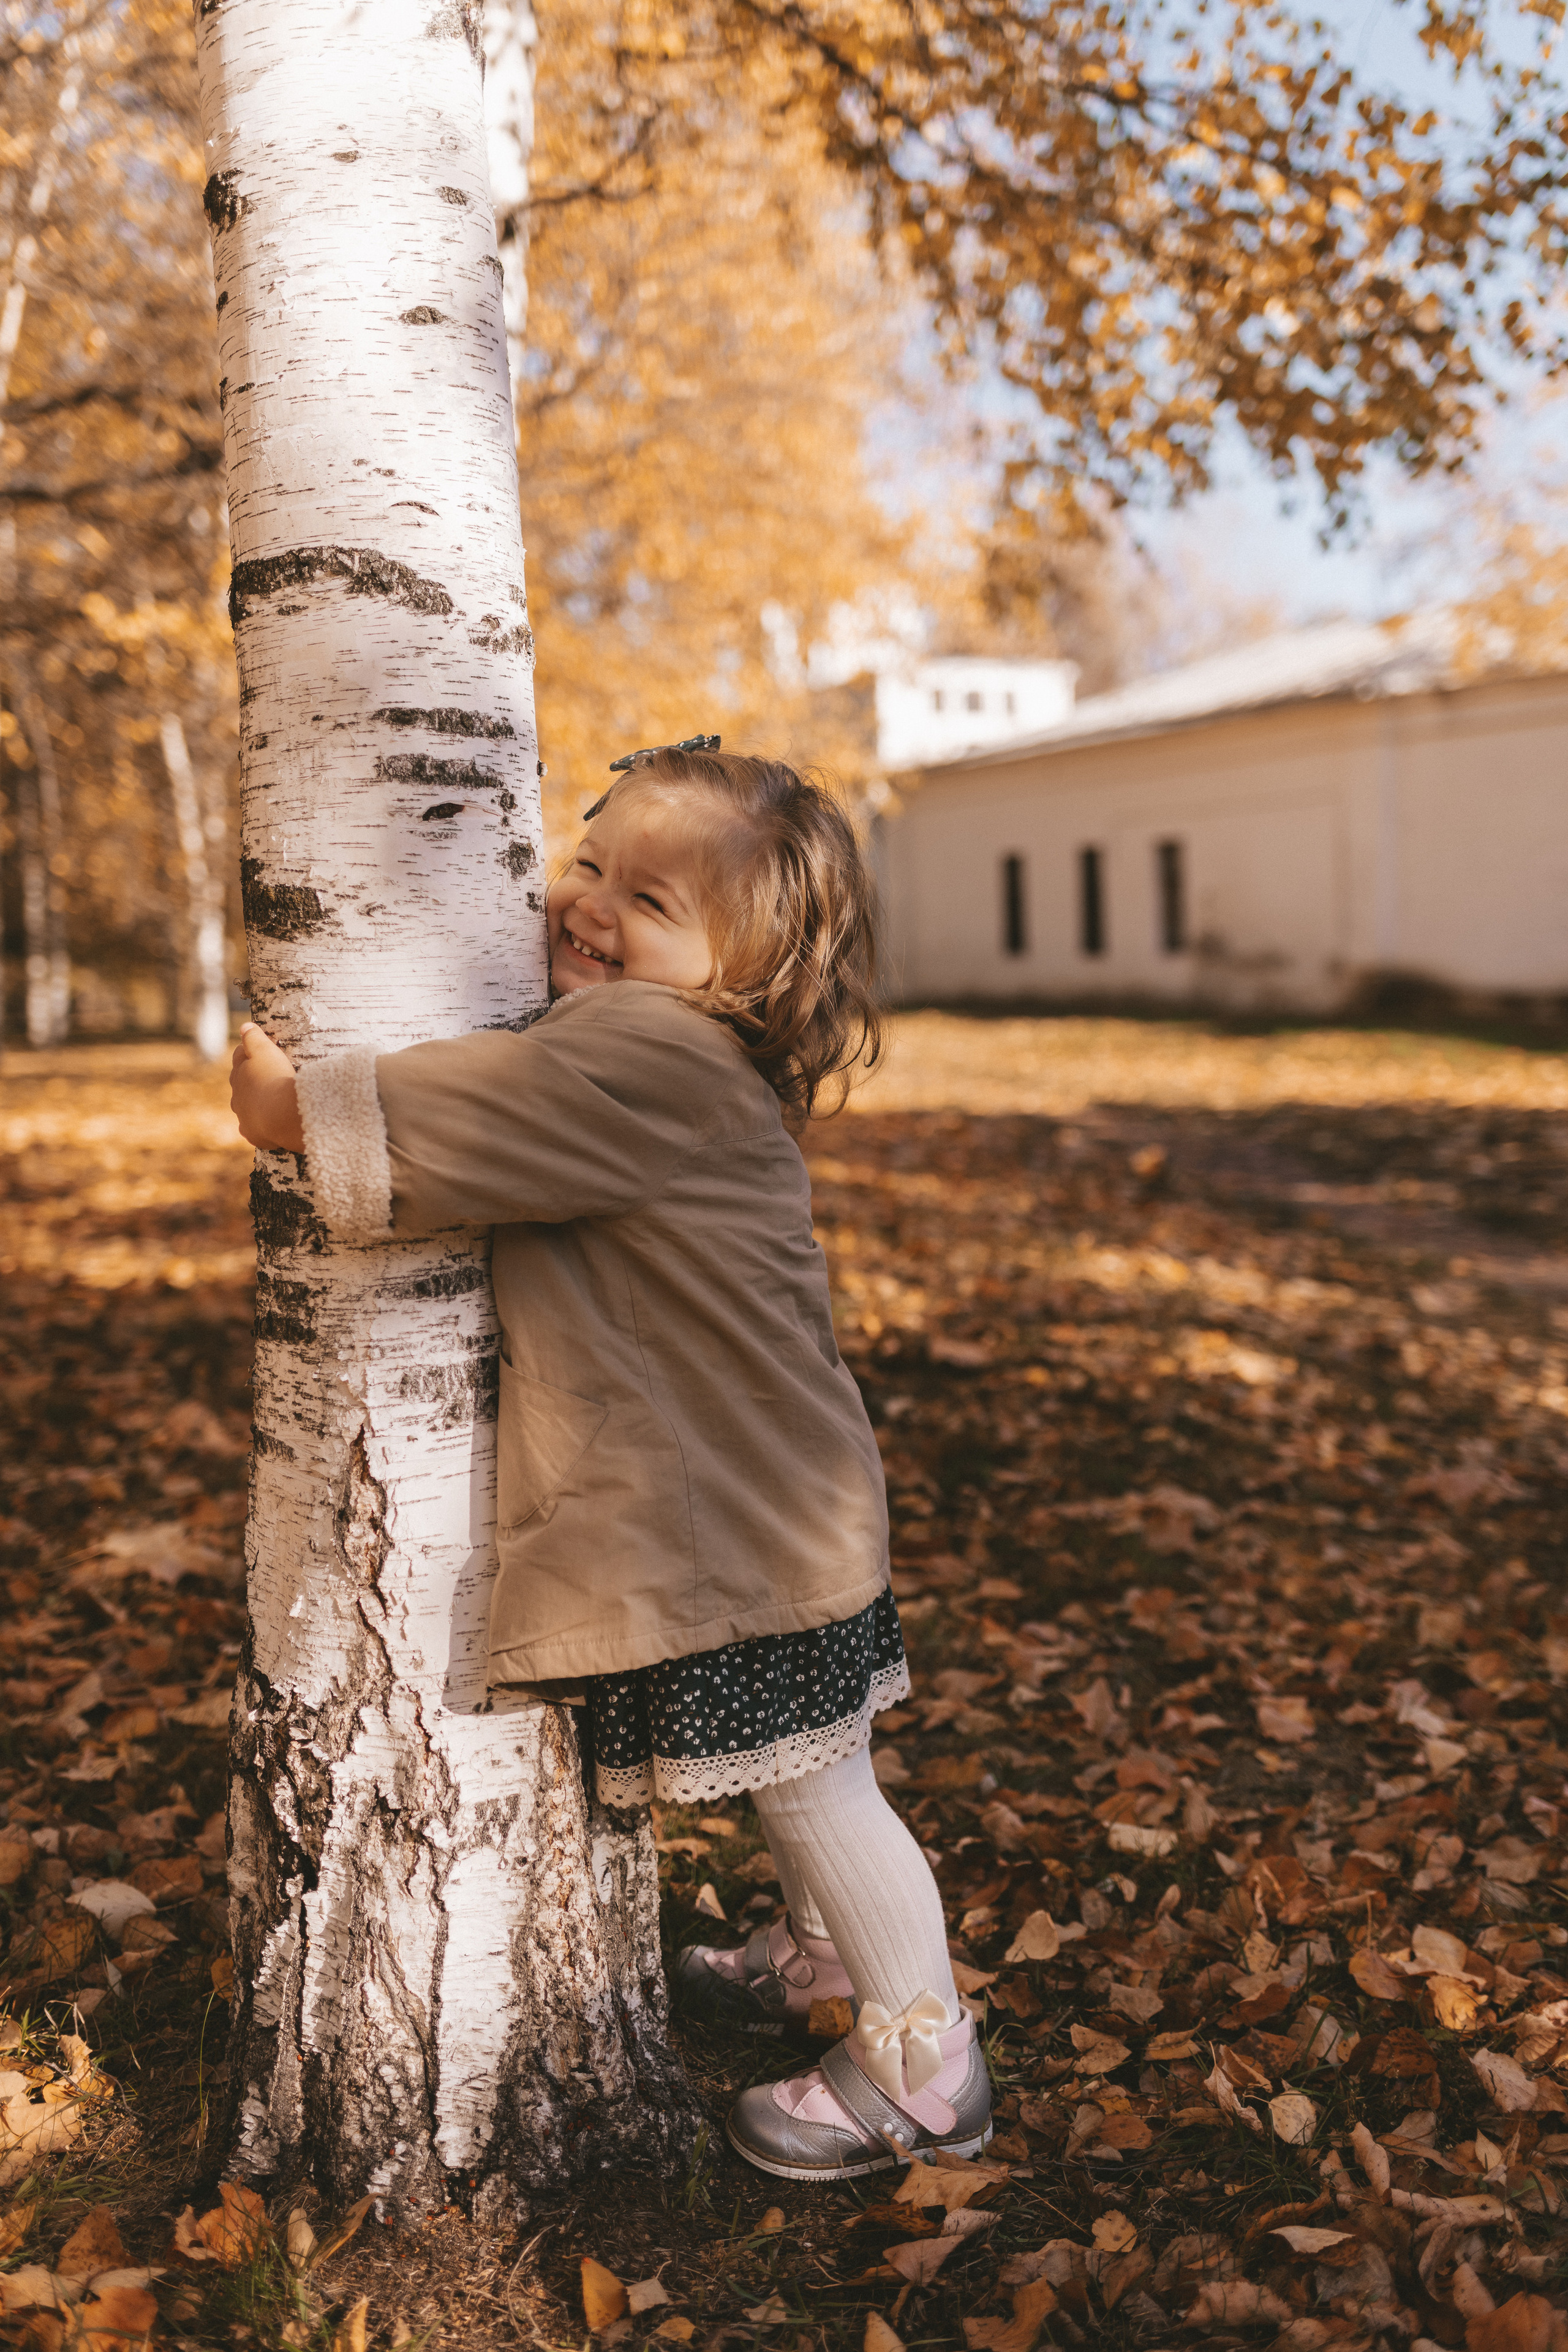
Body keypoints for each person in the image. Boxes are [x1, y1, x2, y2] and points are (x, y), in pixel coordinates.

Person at [229, 741, 990, 2183]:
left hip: (746, 1515)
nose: (587, 905)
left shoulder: (643, 1050)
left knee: (819, 1788)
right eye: (587, 863)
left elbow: (487, 1111)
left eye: (649, 899)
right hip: (786, 1494)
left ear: (737, 972)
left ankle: (925, 2060)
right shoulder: (685, 1053)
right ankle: (822, 1957)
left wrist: (296, 1113)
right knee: (817, 1770)